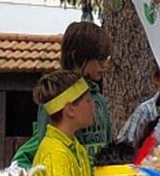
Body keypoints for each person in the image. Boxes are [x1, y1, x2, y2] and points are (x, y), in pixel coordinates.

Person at [14, 22, 113, 167]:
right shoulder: (56, 97)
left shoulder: (100, 101)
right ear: (78, 56)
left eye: (106, 59)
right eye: (100, 59)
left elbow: (108, 146)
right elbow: (45, 145)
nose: (104, 66)